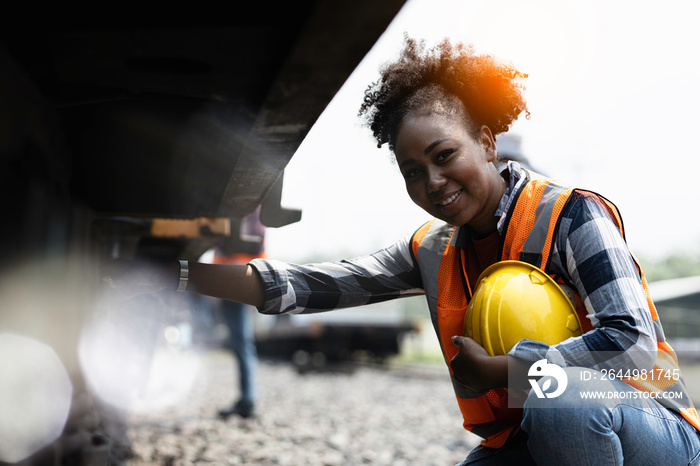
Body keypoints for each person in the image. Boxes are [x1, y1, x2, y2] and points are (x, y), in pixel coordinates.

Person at [104, 37, 700, 464]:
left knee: (558, 394)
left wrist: (502, 371)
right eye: (413, 172)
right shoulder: (432, 249)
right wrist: (179, 274)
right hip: (538, 440)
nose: (433, 183)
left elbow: (633, 347)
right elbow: (315, 284)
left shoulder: (572, 215)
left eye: (445, 156)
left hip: (650, 429)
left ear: (487, 142)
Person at [210, 208, 266, 420]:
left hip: (236, 277)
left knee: (241, 341)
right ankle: (247, 398)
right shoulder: (255, 212)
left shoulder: (246, 212)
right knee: (241, 341)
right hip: (240, 275)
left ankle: (248, 400)